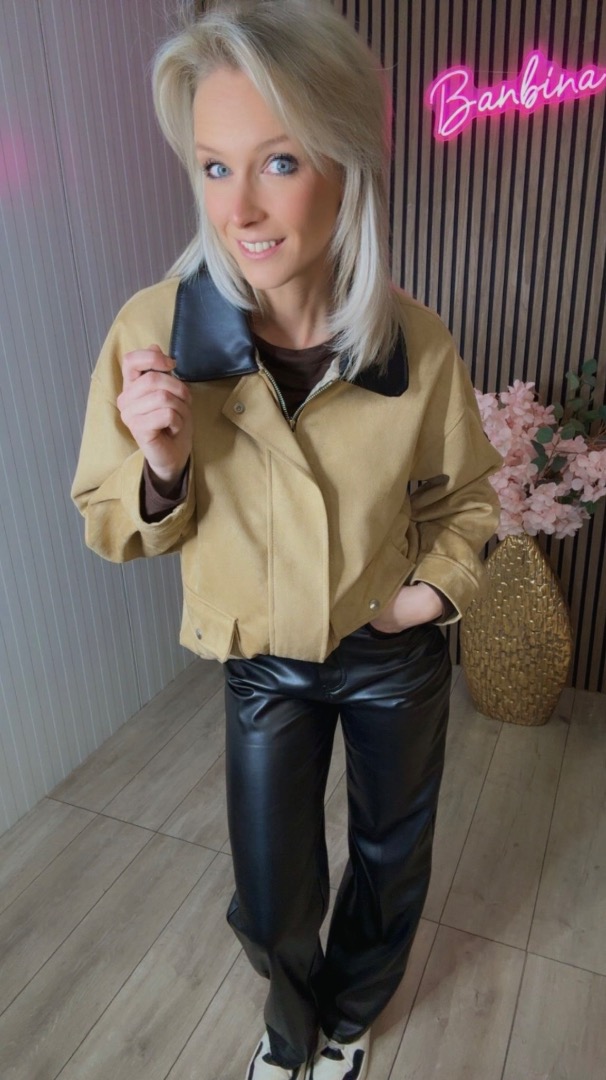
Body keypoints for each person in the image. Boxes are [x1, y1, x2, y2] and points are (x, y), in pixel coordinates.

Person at [72, 1, 503, 1077]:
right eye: (215, 168)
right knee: (272, 897)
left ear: (345, 166)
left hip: (390, 652)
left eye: (279, 161)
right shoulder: (156, 333)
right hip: (264, 658)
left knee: (390, 862)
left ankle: (347, 1020)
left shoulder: (415, 342)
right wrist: (163, 464)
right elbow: (107, 521)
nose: (242, 209)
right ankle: (290, 1023)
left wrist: (425, 599)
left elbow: (468, 502)